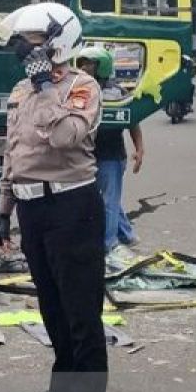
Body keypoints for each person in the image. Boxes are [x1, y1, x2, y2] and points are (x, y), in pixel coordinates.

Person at [0, 2, 108, 392]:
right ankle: (64, 389)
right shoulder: (22, 90)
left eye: (35, 45)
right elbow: (14, 148)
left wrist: (46, 87)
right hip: (31, 208)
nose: (28, 54)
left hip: (71, 204)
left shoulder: (82, 87)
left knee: (81, 311)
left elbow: (65, 140)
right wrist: (3, 205)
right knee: (52, 305)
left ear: (58, 41)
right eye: (25, 48)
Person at [74, 47, 143, 252]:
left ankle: (108, 245)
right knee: (104, 199)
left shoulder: (115, 92)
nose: (85, 68)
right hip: (88, 156)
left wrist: (140, 149)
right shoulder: (79, 90)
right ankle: (127, 235)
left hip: (111, 157)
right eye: (82, 63)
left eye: (90, 64)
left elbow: (133, 121)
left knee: (108, 201)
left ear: (101, 66)